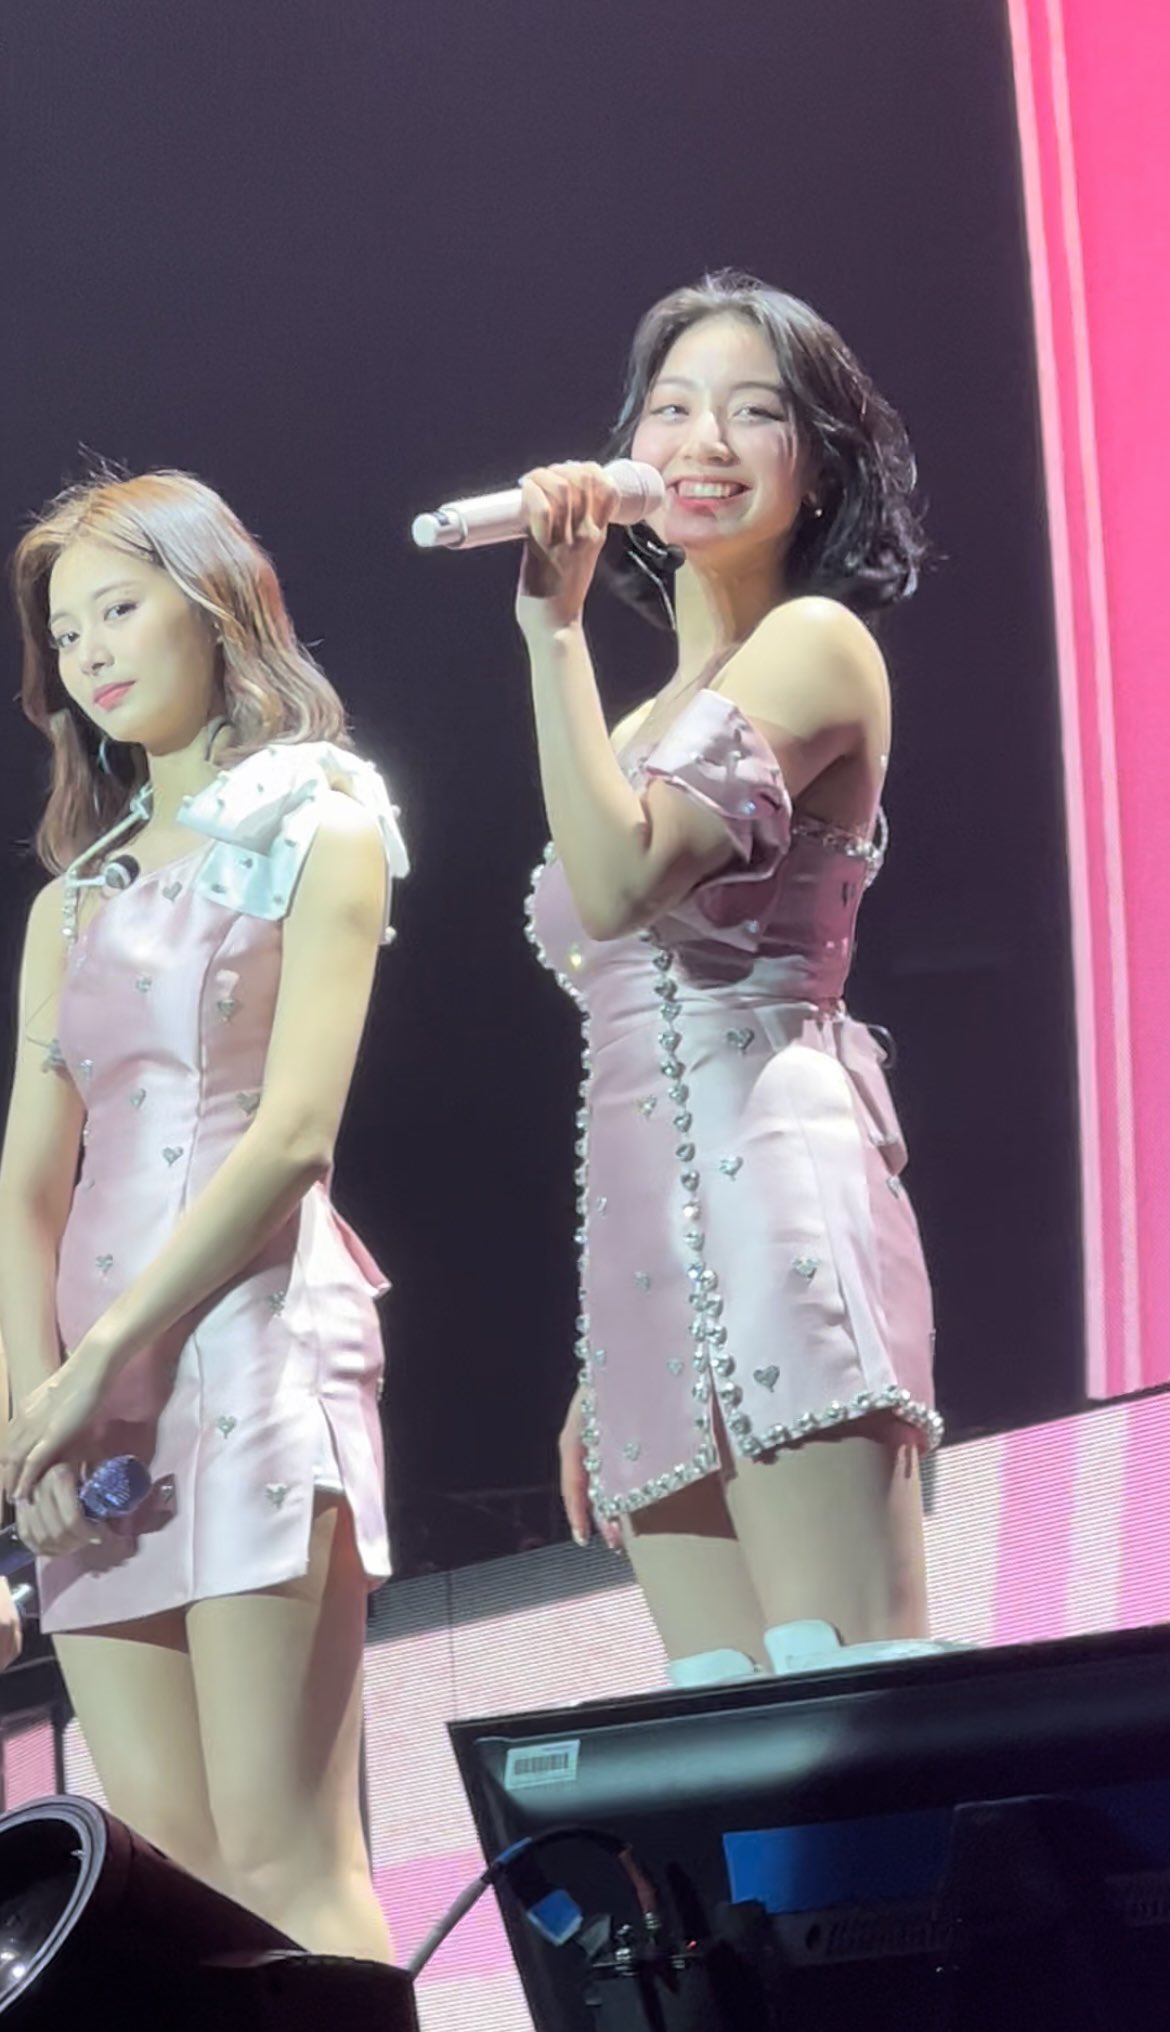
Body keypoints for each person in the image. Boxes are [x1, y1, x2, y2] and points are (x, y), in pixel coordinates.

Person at [0, 470, 407, 1954]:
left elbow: (295, 1136)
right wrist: (30, 1410)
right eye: (65, 631)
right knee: (169, 1884)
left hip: (248, 1342)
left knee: (288, 1860)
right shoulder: (72, 901)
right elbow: (26, 1183)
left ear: (214, 601)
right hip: (82, 1405)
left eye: (120, 607)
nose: (90, 653)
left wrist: (102, 1360)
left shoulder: (321, 815)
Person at [520, 272, 941, 1685]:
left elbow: (620, 882)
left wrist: (551, 632)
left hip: (778, 1205)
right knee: (715, 1728)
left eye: (754, 412)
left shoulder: (813, 647)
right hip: (643, 1259)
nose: (702, 441)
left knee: (843, 1691)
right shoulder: (642, 718)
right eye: (672, 407)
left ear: (819, 466)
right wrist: (608, 1350)